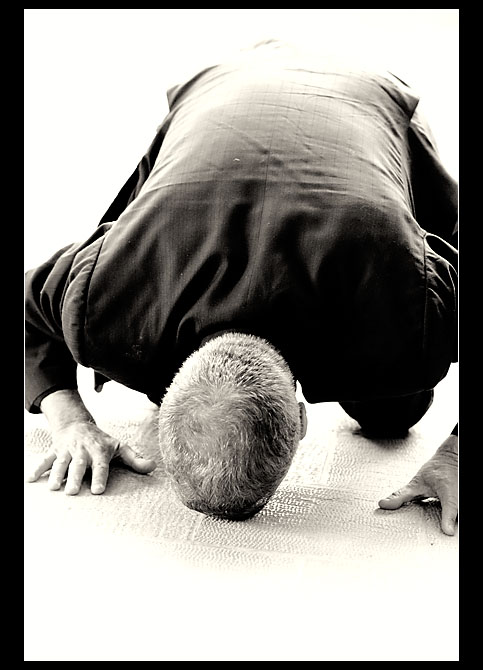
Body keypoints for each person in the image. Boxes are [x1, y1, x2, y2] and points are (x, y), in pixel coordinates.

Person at [25, 41, 458, 533]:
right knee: (389, 393)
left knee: (392, 414)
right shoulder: (110, 295)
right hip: (218, 94)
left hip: (370, 102)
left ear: (301, 422)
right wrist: (68, 420)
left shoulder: (407, 306)